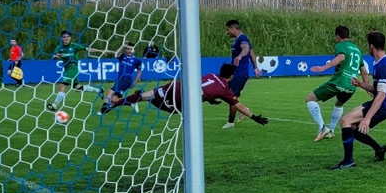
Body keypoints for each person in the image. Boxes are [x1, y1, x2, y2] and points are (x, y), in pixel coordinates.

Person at [104, 63, 269, 123]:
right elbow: (238, 105)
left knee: (146, 95)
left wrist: (210, 99)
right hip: (183, 98)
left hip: (176, 85)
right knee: (174, 110)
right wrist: (254, 117)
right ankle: (147, 99)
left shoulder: (211, 75)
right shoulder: (225, 90)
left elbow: (206, 87)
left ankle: (113, 104)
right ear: (231, 76)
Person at [328, 31, 386, 170]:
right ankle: (379, 149)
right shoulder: (383, 62)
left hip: (383, 105)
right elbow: (377, 89)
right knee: (353, 128)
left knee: (345, 121)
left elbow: (381, 95)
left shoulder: (383, 66)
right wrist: (361, 84)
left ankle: (348, 161)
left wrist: (367, 118)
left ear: (371, 46)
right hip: (383, 104)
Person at [306, 25, 369, 142]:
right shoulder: (357, 49)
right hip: (352, 86)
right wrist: (367, 88)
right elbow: (364, 72)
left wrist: (323, 68)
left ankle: (322, 128)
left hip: (339, 81)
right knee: (339, 104)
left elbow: (341, 57)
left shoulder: (340, 45)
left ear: (338, 37)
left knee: (310, 99)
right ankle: (331, 131)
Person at [46, 30, 105, 111]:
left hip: (73, 68)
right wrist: (55, 56)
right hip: (67, 69)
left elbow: (88, 49)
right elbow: (53, 57)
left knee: (62, 86)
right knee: (78, 87)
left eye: (67, 37)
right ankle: (99, 90)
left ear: (70, 38)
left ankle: (54, 106)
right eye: (64, 37)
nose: (66, 38)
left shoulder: (75, 46)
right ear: (61, 38)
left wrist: (101, 51)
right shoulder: (59, 47)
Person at [223, 19, 262, 129]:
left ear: (233, 28)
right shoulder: (238, 40)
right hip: (235, 74)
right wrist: (255, 67)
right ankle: (243, 109)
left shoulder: (243, 39)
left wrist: (240, 56)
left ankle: (230, 122)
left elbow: (246, 49)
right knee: (228, 95)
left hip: (240, 74)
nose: (227, 32)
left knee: (232, 97)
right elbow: (252, 54)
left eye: (227, 30)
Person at [101, 42, 143, 114]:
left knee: (110, 92)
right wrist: (123, 46)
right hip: (120, 80)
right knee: (114, 100)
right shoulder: (122, 57)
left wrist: (134, 83)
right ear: (126, 50)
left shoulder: (137, 60)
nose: (130, 51)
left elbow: (139, 72)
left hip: (127, 79)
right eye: (128, 49)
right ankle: (131, 103)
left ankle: (102, 111)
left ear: (134, 50)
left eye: (131, 49)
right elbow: (116, 54)